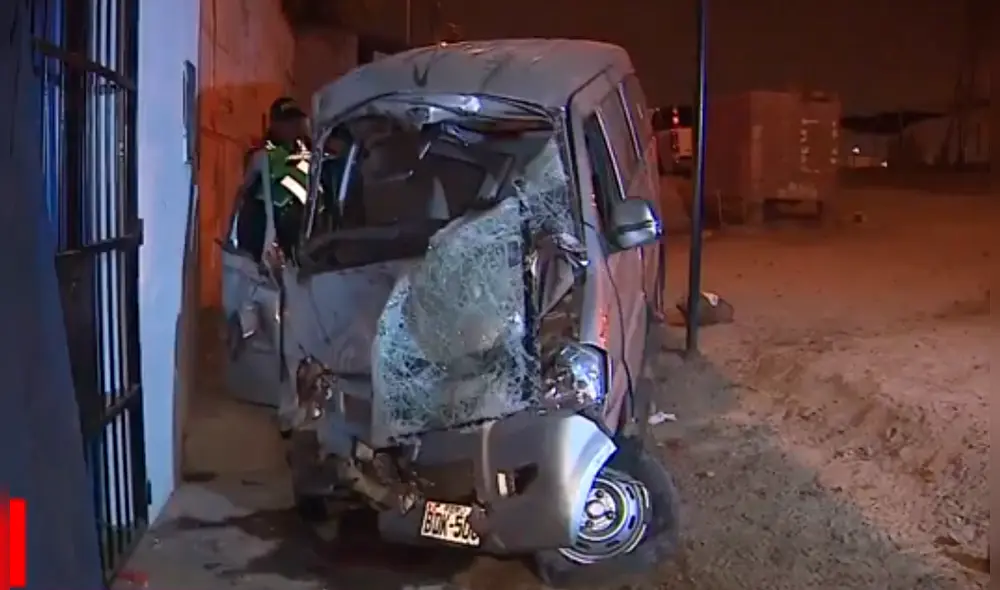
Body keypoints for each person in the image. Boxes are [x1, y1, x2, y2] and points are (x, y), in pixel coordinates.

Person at [248, 97, 313, 261]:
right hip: (272, 234)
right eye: (288, 121)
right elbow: (248, 195)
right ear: (275, 124)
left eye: (296, 121)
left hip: (306, 232)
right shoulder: (263, 156)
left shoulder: (307, 151)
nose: (293, 126)